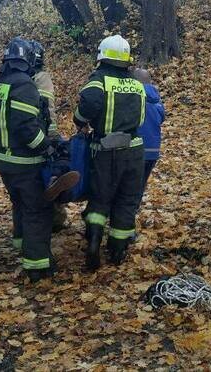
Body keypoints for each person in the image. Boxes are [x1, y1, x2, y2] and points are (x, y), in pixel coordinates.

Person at [74, 35, 146, 270]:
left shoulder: (98, 80)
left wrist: (80, 120)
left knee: (100, 197)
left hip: (105, 151)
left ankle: (94, 239)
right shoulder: (136, 83)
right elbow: (142, 118)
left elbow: (88, 105)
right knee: (127, 200)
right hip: (134, 150)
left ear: (102, 56)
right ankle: (118, 249)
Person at [0, 38, 56, 282]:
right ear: (27, 60)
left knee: (20, 205)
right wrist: (46, 148)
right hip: (23, 161)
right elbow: (26, 127)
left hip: (4, 161)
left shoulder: (1, 83)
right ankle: (37, 266)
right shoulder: (24, 84)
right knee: (37, 210)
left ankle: (21, 244)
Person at [30, 40, 76, 230]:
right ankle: (56, 213)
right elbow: (47, 107)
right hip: (40, 132)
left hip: (19, 137)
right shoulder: (41, 77)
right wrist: (53, 134)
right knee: (62, 158)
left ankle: (44, 217)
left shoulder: (9, 79)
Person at [135, 68, 165, 193]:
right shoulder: (156, 99)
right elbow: (162, 117)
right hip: (153, 151)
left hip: (136, 149)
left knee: (131, 186)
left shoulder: (133, 98)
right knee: (141, 184)